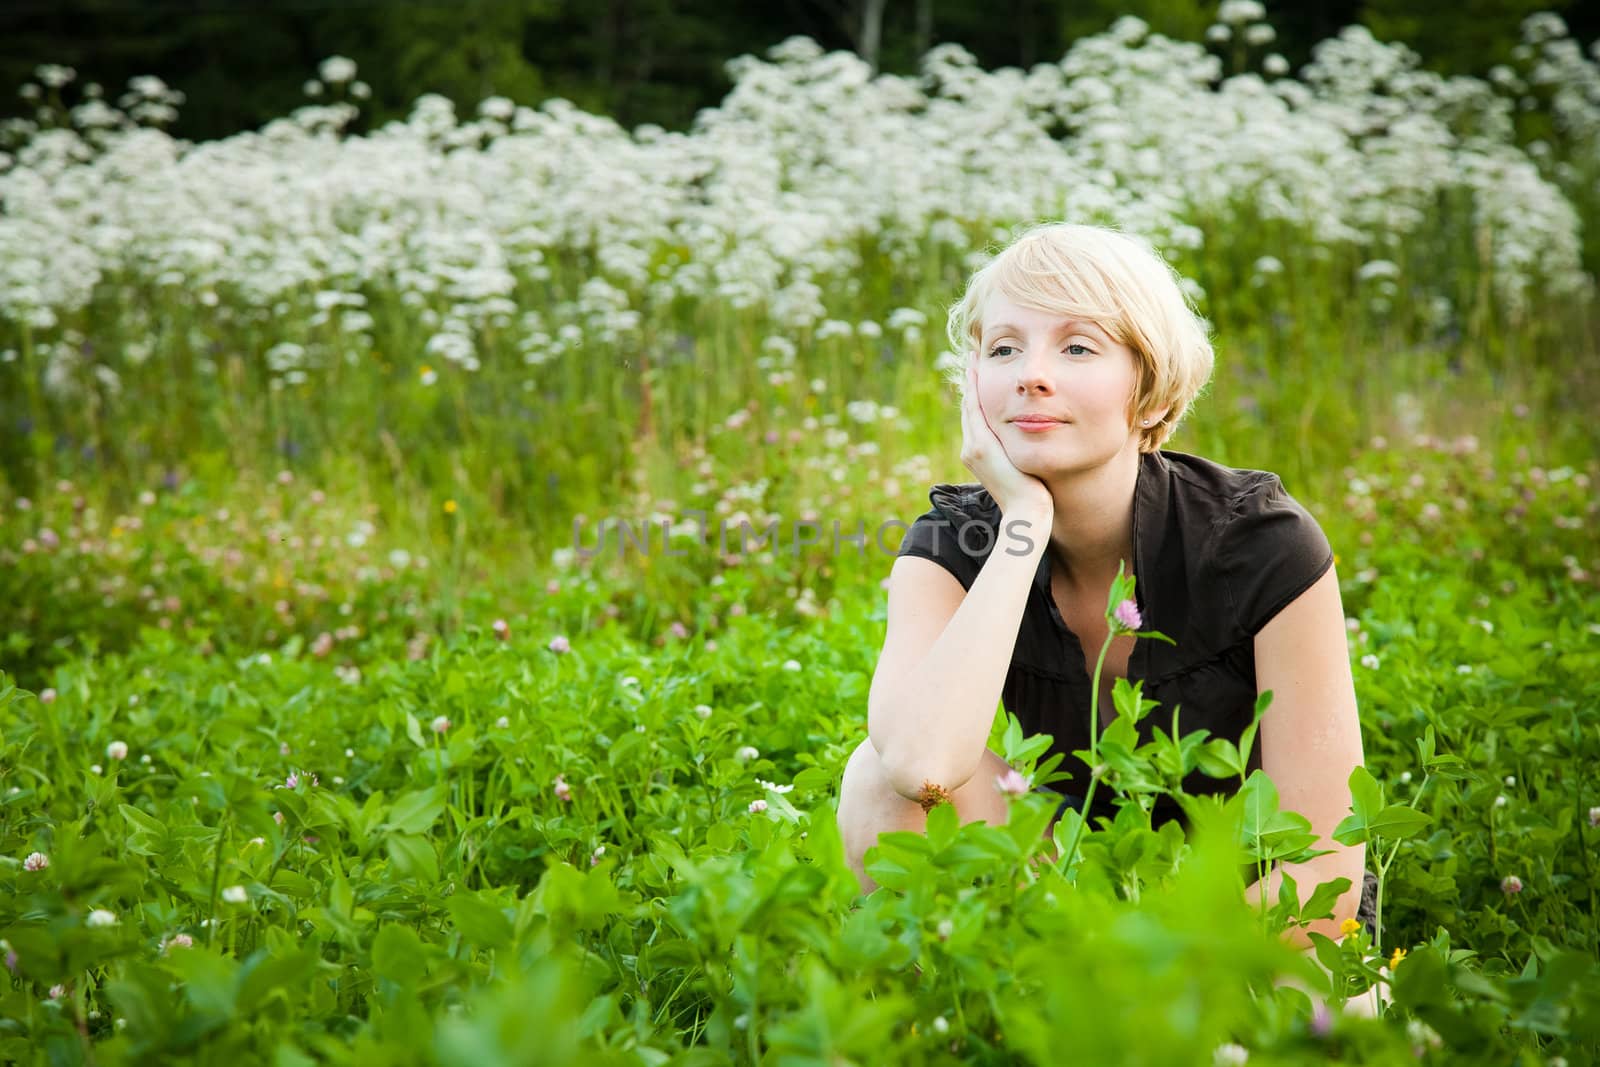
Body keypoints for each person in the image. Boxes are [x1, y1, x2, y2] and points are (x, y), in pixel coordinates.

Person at [835, 221, 1377, 961]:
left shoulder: (1261, 544)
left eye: (1077, 346)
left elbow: (1324, 869)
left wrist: (1136, 963)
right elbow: (918, 768)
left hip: (1256, 928)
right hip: (1065, 897)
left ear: (1149, 390)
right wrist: (1022, 522)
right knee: (878, 777)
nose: (1031, 372)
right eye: (1003, 348)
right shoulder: (952, 542)